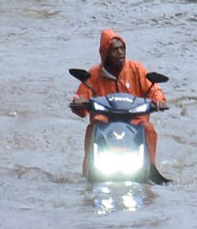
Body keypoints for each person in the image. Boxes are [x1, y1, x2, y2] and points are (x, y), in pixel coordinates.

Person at [70, 29, 167, 175]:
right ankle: (88, 171)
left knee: (148, 128)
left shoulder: (136, 69)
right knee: (92, 127)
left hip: (135, 121)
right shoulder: (94, 74)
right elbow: (81, 100)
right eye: (115, 50)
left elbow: (154, 91)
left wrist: (159, 101)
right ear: (105, 53)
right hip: (104, 122)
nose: (120, 53)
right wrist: (79, 102)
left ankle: (150, 169)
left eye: (122, 48)